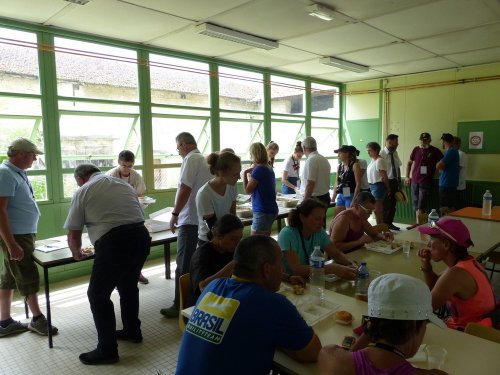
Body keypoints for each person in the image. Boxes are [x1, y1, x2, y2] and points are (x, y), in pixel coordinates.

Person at [176, 235, 322, 375]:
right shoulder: (271, 304)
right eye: (280, 263)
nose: (283, 269)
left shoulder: (213, 286)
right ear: (267, 270)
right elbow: (313, 352)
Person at [64, 164, 150, 365]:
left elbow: (74, 232)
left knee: (97, 295)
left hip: (114, 243)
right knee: (128, 286)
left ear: (82, 179)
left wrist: (76, 252)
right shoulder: (123, 185)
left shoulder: (83, 191)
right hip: (141, 237)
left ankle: (107, 350)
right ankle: (132, 331)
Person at [319, 273, 448, 375]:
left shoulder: (331, 358)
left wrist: (373, 328)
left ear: (370, 324)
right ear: (413, 325)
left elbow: (353, 356)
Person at [0, 138, 58, 338]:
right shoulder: (5, 174)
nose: (35, 159)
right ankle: (37, 319)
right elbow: (0, 212)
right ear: (21, 154)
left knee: (8, 278)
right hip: (16, 235)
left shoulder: (16, 173)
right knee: (27, 274)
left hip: (22, 233)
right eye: (33, 155)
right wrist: (12, 244)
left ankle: (5, 321)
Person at [161, 132, 212, 319]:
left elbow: (185, 187)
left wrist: (174, 213)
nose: (178, 151)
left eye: (177, 147)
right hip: (199, 218)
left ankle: (180, 305)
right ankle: (193, 300)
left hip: (189, 219)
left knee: (183, 264)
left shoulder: (191, 159)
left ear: (183, 145)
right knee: (195, 262)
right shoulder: (204, 159)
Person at [418, 217, 496, 330]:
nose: (428, 244)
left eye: (432, 239)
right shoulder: (467, 263)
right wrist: (427, 265)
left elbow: (425, 309)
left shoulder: (455, 274)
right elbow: (435, 286)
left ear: (446, 244)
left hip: (472, 334)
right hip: (482, 326)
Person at [278, 199, 357, 280]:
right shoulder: (287, 234)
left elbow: (336, 254)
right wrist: (332, 269)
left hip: (310, 279)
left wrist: (351, 264)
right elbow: (297, 270)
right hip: (290, 282)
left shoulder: (318, 232)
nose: (322, 223)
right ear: (302, 217)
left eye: (322, 219)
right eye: (317, 219)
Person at [107, 150, 149, 284]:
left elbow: (139, 194)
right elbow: (107, 197)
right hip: (116, 215)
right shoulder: (111, 176)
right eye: (124, 166)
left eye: (130, 166)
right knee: (119, 248)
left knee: (137, 246)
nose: (127, 169)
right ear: (119, 163)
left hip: (133, 214)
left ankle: (137, 272)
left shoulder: (136, 176)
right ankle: (118, 276)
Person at [189, 214, 244, 304]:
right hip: (203, 304)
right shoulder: (202, 255)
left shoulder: (232, 250)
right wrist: (233, 264)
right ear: (219, 236)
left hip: (226, 298)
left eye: (240, 239)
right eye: (233, 239)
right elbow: (203, 287)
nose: (237, 243)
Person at [196, 151, 241, 245]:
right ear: (222, 173)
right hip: (210, 241)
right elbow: (213, 228)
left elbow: (232, 214)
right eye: (235, 174)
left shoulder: (232, 186)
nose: (239, 177)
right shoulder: (204, 194)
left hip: (227, 237)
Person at [329, 192, 393, 253]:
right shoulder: (343, 220)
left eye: (371, 212)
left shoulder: (361, 217)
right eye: (367, 211)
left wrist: (383, 236)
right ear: (356, 206)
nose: (369, 215)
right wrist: (358, 242)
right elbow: (334, 247)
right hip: (342, 257)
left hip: (357, 254)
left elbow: (374, 234)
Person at [405, 133, 443, 229]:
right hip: (414, 180)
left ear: (429, 140)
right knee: (416, 203)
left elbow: (443, 163)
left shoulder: (435, 151)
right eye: (422, 140)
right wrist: (406, 176)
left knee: (421, 204)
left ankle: (419, 224)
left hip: (426, 181)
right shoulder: (416, 149)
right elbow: (409, 163)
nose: (423, 142)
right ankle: (418, 223)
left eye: (425, 140)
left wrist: (440, 173)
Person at [243, 142, 278, 236]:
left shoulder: (259, 169)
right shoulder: (269, 167)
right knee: (265, 240)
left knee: (255, 243)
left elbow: (247, 190)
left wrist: (244, 174)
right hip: (271, 209)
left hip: (262, 211)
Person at [300, 136, 331, 209]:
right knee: (321, 220)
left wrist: (304, 202)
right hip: (325, 196)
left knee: (312, 220)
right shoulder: (324, 159)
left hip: (315, 199)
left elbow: (310, 184)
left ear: (304, 148)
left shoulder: (311, 160)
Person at [380, 134, 402, 231]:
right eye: (396, 142)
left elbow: (397, 168)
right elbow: (380, 171)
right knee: (385, 205)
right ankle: (384, 225)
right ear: (389, 142)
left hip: (394, 181)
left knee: (393, 205)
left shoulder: (395, 153)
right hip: (385, 182)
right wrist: (386, 185)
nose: (397, 144)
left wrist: (399, 182)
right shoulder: (381, 154)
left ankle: (389, 223)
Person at [331, 145, 361, 217]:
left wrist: (354, 200)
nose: (338, 155)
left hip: (351, 195)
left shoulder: (355, 165)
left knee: (350, 218)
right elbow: (336, 183)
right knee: (337, 217)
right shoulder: (339, 166)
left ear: (347, 154)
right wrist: (333, 198)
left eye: (340, 153)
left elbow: (358, 184)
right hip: (341, 195)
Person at [436, 133, 459, 216]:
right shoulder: (452, 151)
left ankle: (447, 226)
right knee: (450, 207)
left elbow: (439, 166)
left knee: (446, 208)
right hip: (449, 184)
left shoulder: (451, 151)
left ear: (444, 141)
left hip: (446, 184)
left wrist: (439, 164)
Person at [366, 142, 389, 225]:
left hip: (378, 186)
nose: (368, 152)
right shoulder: (373, 160)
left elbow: (384, 176)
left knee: (377, 209)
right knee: (375, 209)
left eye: (370, 150)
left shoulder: (380, 160)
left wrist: (387, 187)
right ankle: (380, 226)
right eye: (367, 151)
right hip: (371, 186)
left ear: (376, 150)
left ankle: (381, 228)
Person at [453, 137, 468, 210]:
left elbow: (457, 170)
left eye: (454, 143)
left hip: (459, 185)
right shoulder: (451, 153)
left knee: (458, 207)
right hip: (452, 184)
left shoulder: (461, 154)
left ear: (458, 144)